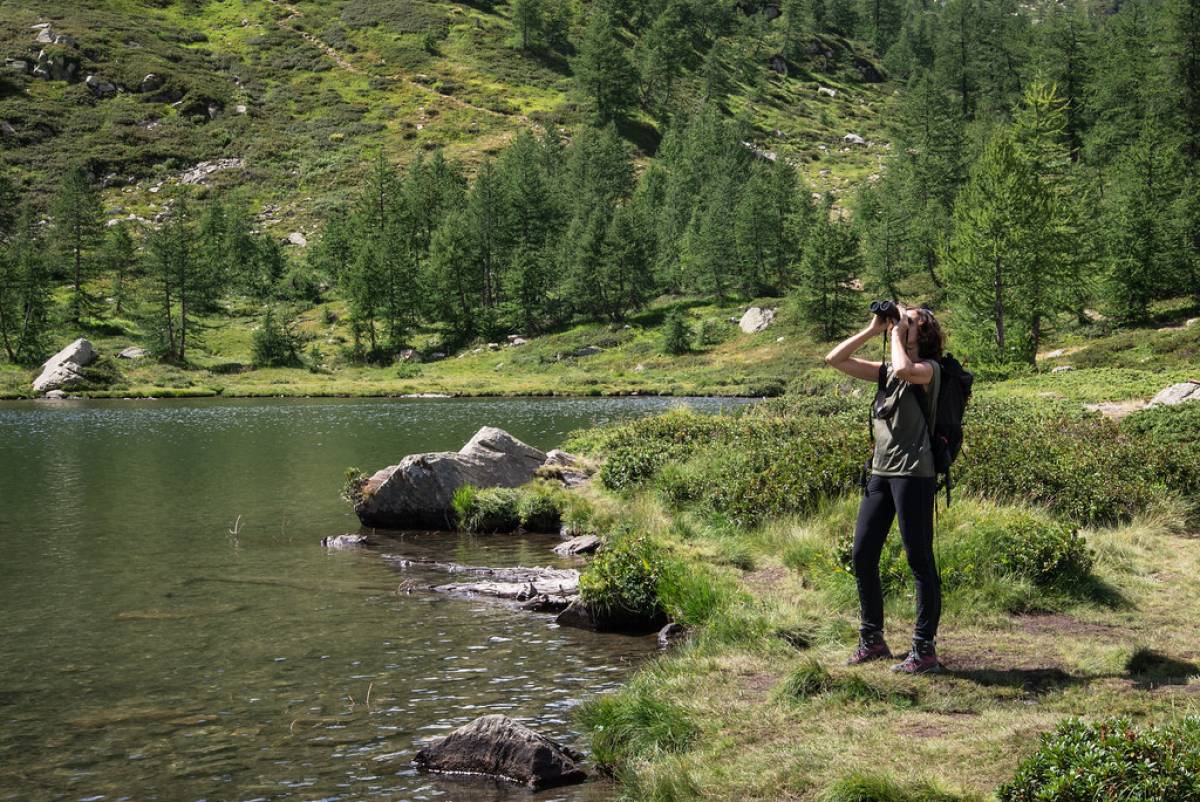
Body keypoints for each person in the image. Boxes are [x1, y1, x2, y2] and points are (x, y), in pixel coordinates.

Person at [823, 303, 945, 674]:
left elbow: (908, 369)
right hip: (880, 472)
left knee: (919, 560)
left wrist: (897, 333)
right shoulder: (886, 372)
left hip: (914, 473)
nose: (902, 321)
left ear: (920, 334)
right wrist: (876, 328)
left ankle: (924, 650)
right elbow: (835, 358)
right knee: (862, 555)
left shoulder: (930, 370)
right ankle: (872, 639)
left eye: (911, 320)